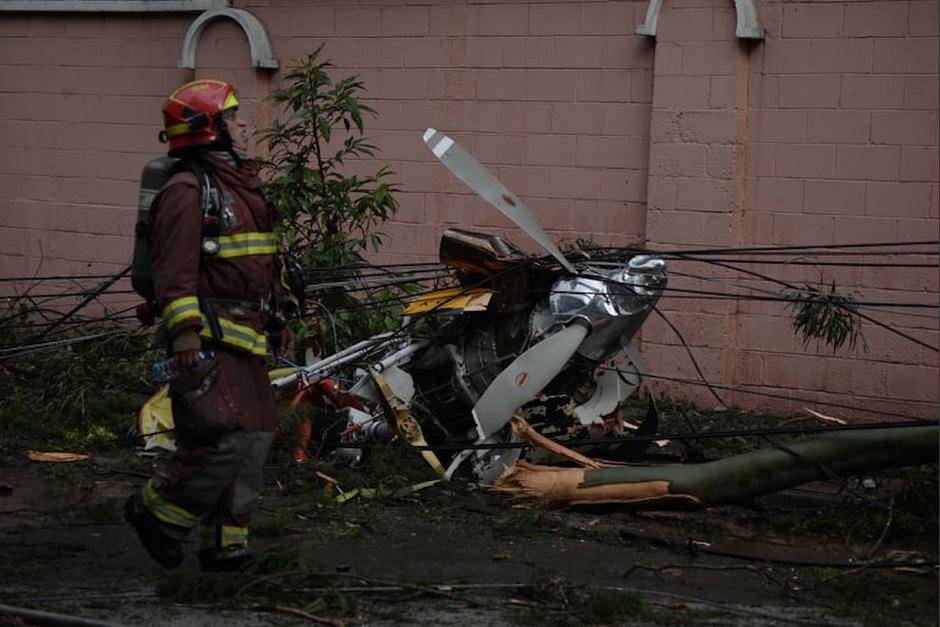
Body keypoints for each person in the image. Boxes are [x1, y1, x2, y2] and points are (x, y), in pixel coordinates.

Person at [125, 79, 282, 572]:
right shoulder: (186, 191)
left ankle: (225, 542)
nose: (244, 124)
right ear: (207, 130)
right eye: (233, 117)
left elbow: (260, 266)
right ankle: (155, 511)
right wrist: (185, 336)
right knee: (224, 435)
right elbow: (173, 273)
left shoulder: (239, 187)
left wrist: (278, 315)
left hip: (247, 334)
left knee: (255, 436)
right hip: (208, 339)